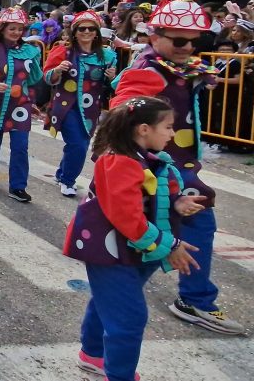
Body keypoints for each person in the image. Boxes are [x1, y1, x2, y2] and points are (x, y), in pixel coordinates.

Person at [111, 0, 244, 335]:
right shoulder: (149, 72)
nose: (188, 47)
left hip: (179, 165)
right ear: (154, 36)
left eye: (193, 40)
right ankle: (194, 299)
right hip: (162, 168)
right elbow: (120, 113)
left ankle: (190, 297)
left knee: (174, 234)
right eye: (179, 40)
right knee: (152, 246)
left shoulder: (177, 68)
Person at [64, 96, 204, 381]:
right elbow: (127, 217)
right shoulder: (120, 162)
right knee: (129, 317)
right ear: (143, 129)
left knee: (109, 302)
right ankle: (119, 375)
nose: (172, 134)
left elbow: (148, 197)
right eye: (167, 127)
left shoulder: (146, 158)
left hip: (133, 249)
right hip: (112, 249)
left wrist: (177, 204)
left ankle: (93, 354)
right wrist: (171, 246)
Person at [43, 9, 117, 197]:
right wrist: (58, 70)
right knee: (78, 145)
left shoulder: (107, 56)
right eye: (82, 28)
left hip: (91, 109)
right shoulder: (63, 51)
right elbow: (47, 77)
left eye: (91, 29)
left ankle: (61, 173)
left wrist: (112, 77)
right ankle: (68, 180)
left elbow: (112, 86)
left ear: (97, 32)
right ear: (74, 32)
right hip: (66, 107)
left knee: (78, 144)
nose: (86, 32)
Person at [0, 4, 42, 202]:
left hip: (20, 106)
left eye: (20, 29)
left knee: (21, 147)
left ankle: (18, 186)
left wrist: (33, 100)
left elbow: (33, 79)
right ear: (2, 28)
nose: (16, 32)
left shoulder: (30, 50)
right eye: (12, 28)